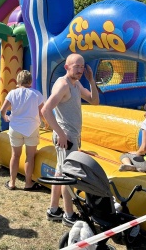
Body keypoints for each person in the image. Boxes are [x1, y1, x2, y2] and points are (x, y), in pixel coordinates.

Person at [41, 53, 99, 227]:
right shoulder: (63, 85)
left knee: (60, 172)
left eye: (82, 66)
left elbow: (94, 101)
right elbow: (45, 110)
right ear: (67, 67)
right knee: (68, 176)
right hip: (66, 137)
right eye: (76, 66)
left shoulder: (76, 83)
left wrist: (91, 81)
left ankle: (53, 210)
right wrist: (61, 133)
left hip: (71, 136)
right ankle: (69, 214)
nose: (80, 70)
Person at [0, 70, 46, 191]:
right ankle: (28, 183)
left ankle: (12, 182)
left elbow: (2, 110)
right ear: (30, 81)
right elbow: (42, 112)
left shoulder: (12, 93)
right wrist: (46, 123)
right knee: (30, 157)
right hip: (31, 128)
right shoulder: (36, 94)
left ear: (18, 81)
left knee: (15, 155)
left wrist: (6, 118)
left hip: (15, 127)